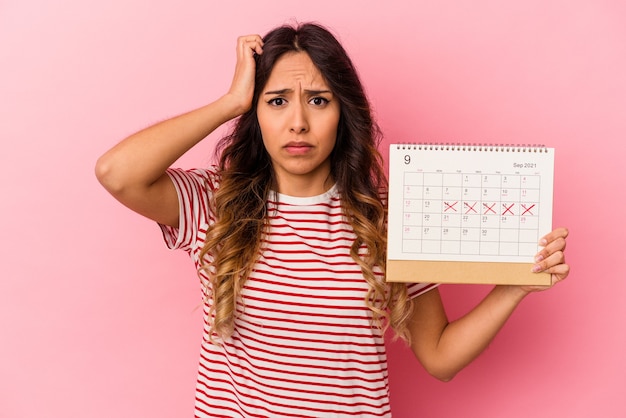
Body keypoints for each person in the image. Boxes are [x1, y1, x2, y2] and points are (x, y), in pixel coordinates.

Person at [95, 22, 570, 418]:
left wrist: (515, 286)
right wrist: (229, 103)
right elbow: (117, 173)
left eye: (319, 100)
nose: (298, 121)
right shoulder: (215, 203)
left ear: (344, 112)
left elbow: (440, 357)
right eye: (277, 100)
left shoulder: (387, 217)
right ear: (255, 113)